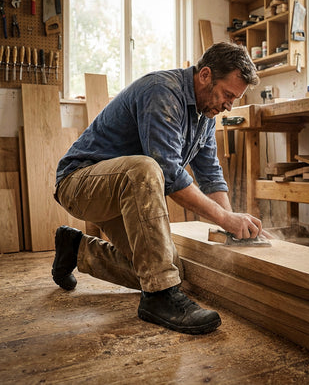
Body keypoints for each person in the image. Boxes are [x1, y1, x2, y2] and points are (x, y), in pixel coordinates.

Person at [52, 41, 262, 335]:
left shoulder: (204, 114)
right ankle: (158, 300)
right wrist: (225, 218)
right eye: (228, 94)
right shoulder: (162, 91)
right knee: (146, 168)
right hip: (79, 184)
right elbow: (168, 173)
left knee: (168, 269)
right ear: (205, 75)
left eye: (235, 99)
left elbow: (211, 174)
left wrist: (231, 225)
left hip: (124, 191)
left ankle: (75, 249)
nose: (229, 105)